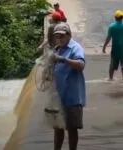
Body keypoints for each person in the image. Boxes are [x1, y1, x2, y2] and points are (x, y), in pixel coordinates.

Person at [52, 22, 86, 150]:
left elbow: (81, 65)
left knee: (72, 129)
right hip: (59, 97)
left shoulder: (76, 48)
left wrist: (63, 60)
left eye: (62, 36)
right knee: (58, 128)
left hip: (73, 97)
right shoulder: (57, 49)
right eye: (57, 37)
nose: (59, 39)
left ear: (69, 35)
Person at [102, 10, 123, 80]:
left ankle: (110, 79)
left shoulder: (112, 27)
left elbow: (108, 38)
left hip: (115, 49)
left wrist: (104, 47)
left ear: (115, 17)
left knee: (112, 65)